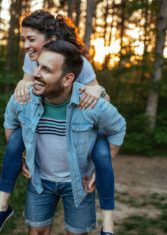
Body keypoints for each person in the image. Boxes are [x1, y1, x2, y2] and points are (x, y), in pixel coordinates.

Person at [0, 10, 118, 235]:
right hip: (45, 138)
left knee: (102, 152)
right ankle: (2, 208)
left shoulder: (78, 62)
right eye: (23, 39)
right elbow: (28, 89)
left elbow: (106, 102)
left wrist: (97, 90)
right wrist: (24, 154)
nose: (26, 45)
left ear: (51, 40)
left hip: (81, 132)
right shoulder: (32, 58)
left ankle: (108, 223)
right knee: (16, 137)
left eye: (31, 39)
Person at [7, 40, 126, 234]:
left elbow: (118, 128)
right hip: (39, 182)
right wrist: (18, 157)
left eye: (46, 69)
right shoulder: (25, 98)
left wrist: (99, 168)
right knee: (36, 232)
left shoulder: (90, 103)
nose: (36, 73)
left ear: (67, 79)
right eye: (37, 65)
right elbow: (10, 122)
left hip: (79, 185)